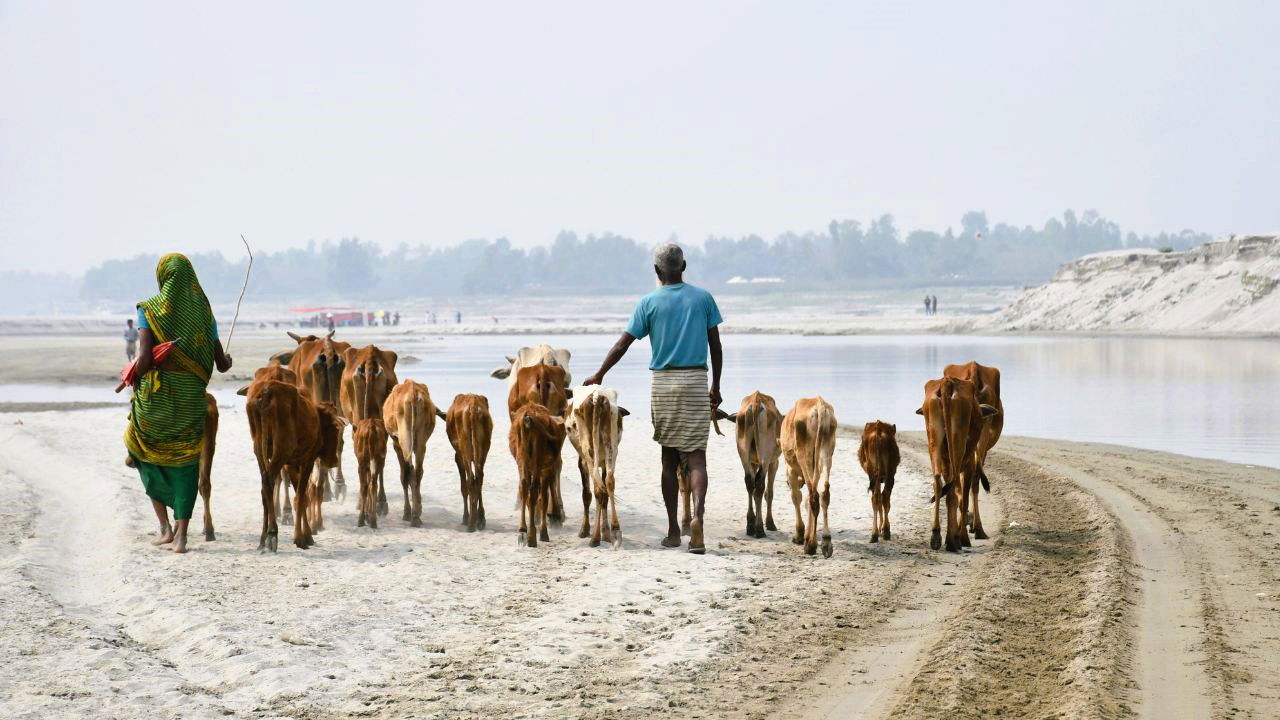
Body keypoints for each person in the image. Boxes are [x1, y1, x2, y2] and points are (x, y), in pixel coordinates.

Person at [584, 243, 723, 554]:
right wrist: (716, 385)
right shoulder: (703, 299)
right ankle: (697, 520)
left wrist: (599, 374)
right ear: (683, 266)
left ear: (658, 272)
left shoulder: (648, 302)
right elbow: (716, 346)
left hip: (663, 383)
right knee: (697, 457)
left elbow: (623, 345)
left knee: (669, 458)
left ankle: (674, 531)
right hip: (695, 380)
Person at [125, 254, 233, 554]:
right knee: (187, 461)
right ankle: (183, 536)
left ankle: (164, 528)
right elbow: (221, 364)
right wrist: (227, 361)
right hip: (190, 399)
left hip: (157, 397)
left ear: (163, 277)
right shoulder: (205, 314)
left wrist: (135, 379)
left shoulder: (151, 310)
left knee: (141, 450)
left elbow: (145, 359)